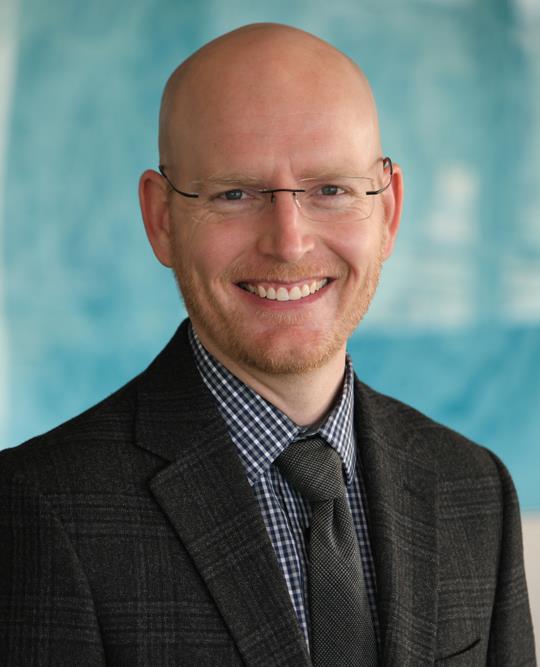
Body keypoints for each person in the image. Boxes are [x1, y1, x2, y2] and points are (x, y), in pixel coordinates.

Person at [0, 23, 535, 666]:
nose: (289, 242)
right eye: (236, 193)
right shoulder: (38, 510)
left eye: (330, 190)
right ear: (162, 219)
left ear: (388, 211)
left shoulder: (473, 488)